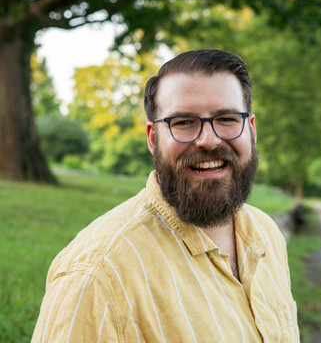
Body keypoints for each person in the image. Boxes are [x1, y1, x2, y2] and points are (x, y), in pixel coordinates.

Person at [32, 49, 299, 342]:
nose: (209, 140)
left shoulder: (266, 235)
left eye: (226, 118)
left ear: (251, 129)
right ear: (153, 138)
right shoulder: (96, 277)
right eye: (184, 122)